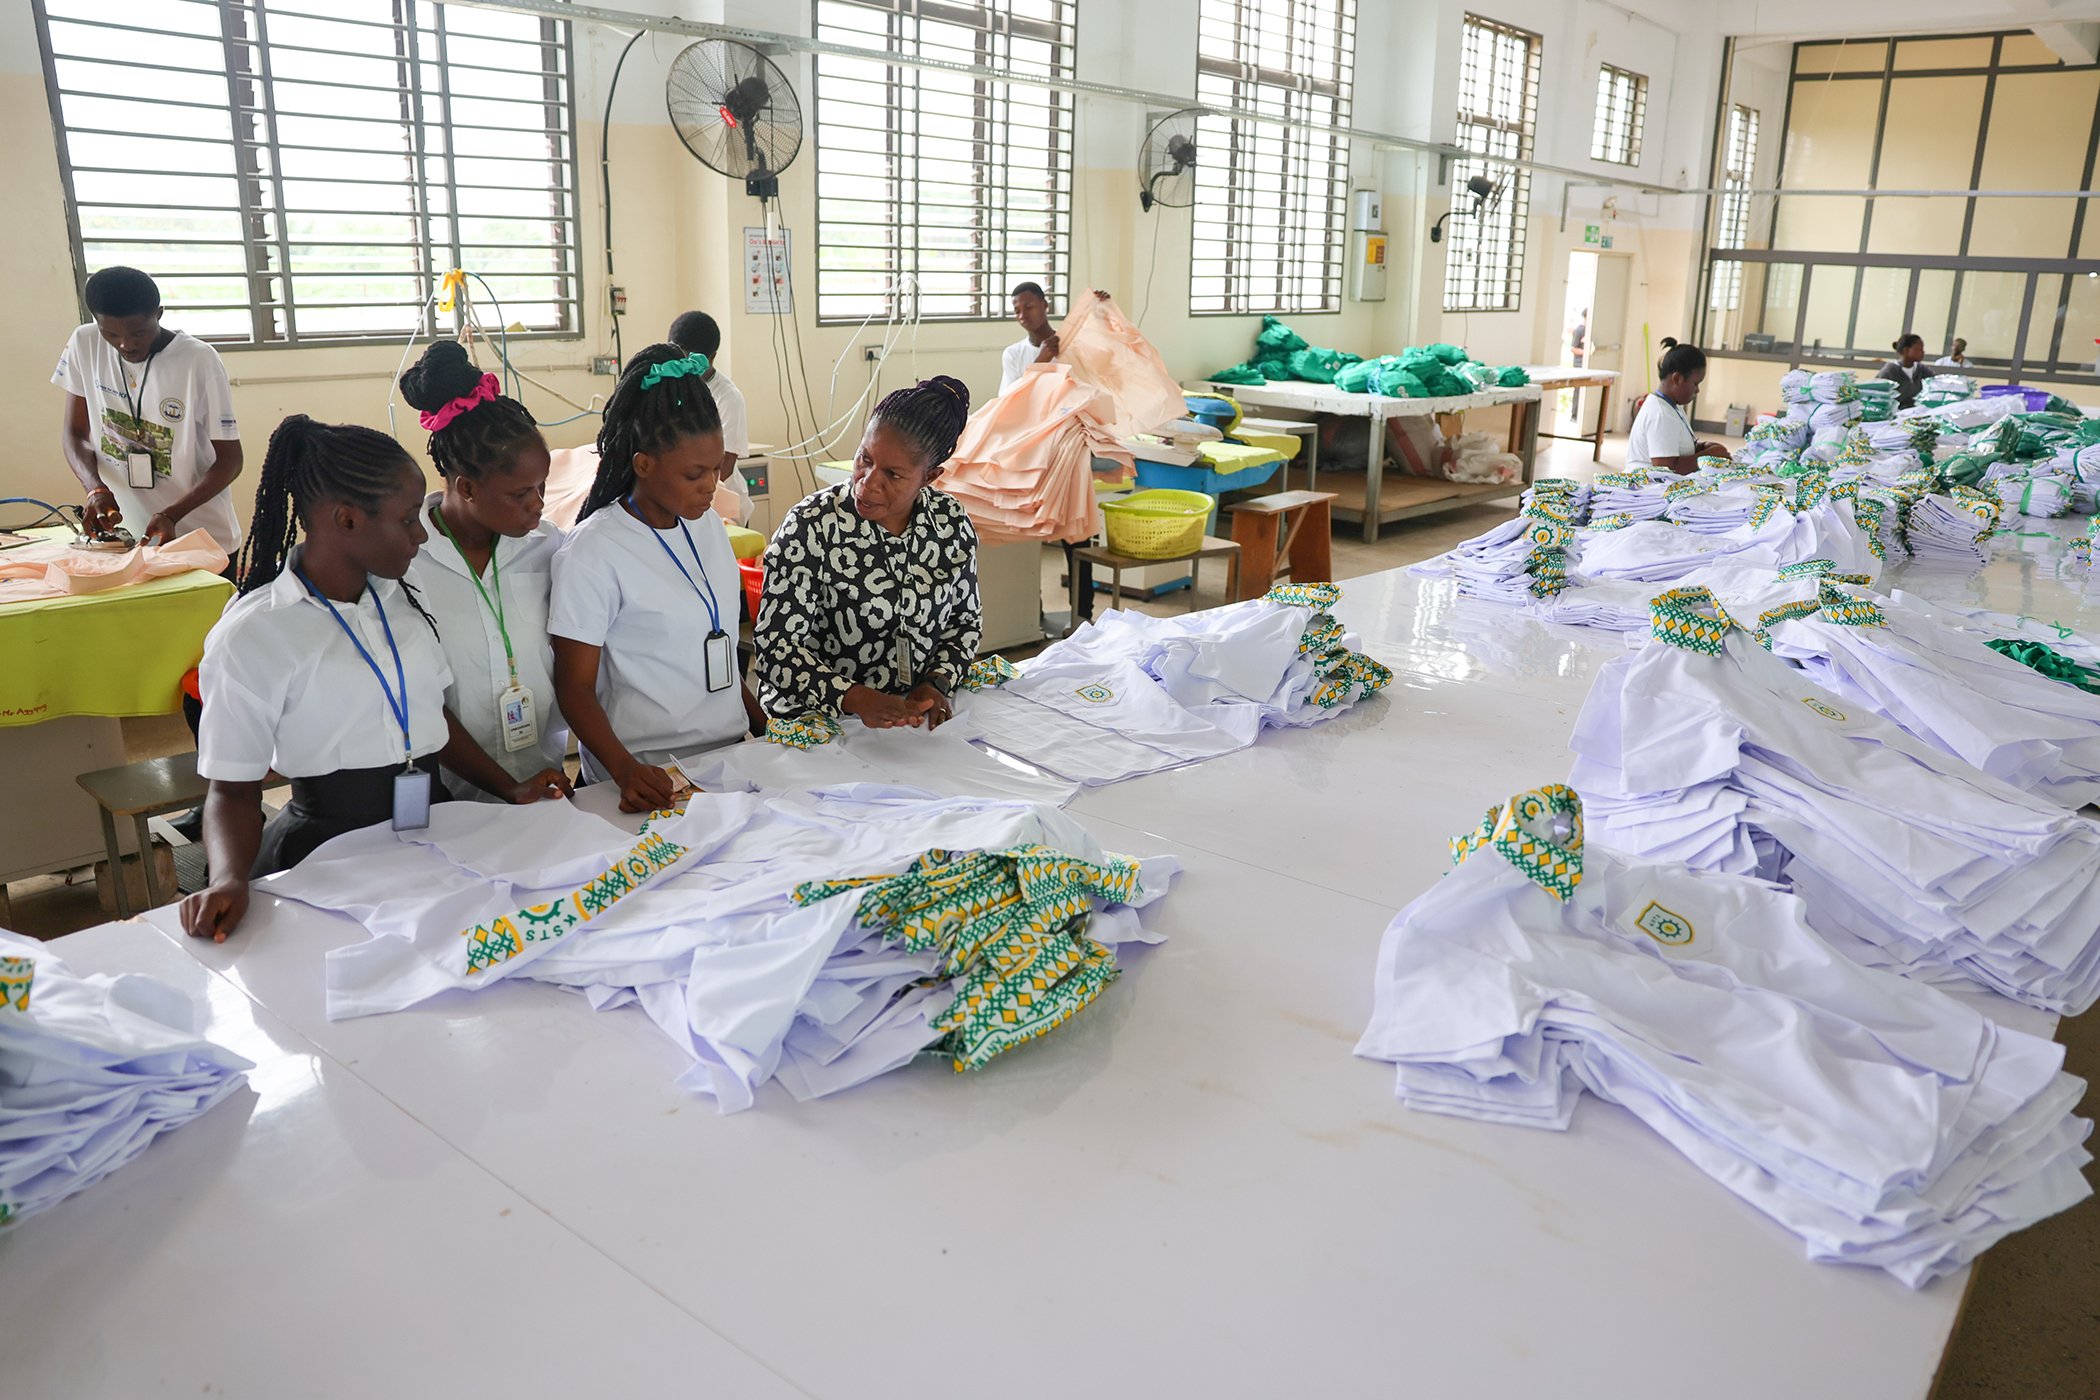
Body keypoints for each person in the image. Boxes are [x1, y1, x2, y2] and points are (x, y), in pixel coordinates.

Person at [180, 416, 571, 942]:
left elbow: (430, 715)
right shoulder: (258, 633)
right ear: (345, 520)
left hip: (435, 828)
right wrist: (227, 879)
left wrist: (508, 787)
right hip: (329, 849)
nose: (420, 535)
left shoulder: (402, 600)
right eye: (409, 520)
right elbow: (230, 789)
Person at [549, 344, 765, 813]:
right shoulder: (594, 552)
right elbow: (574, 688)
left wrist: (761, 723)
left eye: (715, 469)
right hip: (645, 772)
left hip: (725, 758)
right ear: (643, 464)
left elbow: (718, 643)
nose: (711, 486)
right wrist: (625, 770)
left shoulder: (705, 524)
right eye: (694, 475)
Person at [755, 376, 981, 730]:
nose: (868, 482)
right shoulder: (812, 525)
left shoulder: (949, 523)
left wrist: (935, 682)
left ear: (929, 476)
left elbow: (965, 623)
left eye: (893, 474)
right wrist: (856, 698)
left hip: (908, 720)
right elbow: (775, 649)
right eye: (864, 458)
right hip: (819, 722)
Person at [398, 340, 569, 801]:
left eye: (542, 487)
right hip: (449, 795)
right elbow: (418, 700)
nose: (538, 505)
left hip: (545, 784)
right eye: (521, 494)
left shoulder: (548, 547)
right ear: (467, 487)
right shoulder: (407, 564)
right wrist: (504, 786)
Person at [54, 266, 244, 551]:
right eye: (111, 334)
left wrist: (172, 513)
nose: (125, 344)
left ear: (159, 313)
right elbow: (75, 432)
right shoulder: (84, 343)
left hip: (200, 538)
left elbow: (230, 461)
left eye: (139, 333)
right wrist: (95, 488)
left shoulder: (199, 360)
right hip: (127, 537)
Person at [667, 310, 753, 525]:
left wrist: (682, 492)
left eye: (692, 361)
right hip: (681, 500)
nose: (684, 367)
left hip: (722, 505)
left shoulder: (728, 398)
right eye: (679, 358)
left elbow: (724, 467)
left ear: (711, 357)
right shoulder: (668, 387)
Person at [1626, 338, 1729, 476]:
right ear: (1677, 379)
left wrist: (1700, 448)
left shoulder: (1671, 406)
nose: (1697, 390)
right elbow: (1666, 468)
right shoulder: (1661, 414)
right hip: (1647, 486)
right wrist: (1708, 455)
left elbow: (1674, 446)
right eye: (1695, 384)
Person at [998, 284, 1112, 393]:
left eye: (1028, 307)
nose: (1022, 315)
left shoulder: (1071, 343)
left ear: (1045, 305)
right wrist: (1040, 362)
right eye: (1017, 311)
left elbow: (1104, 365)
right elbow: (1008, 398)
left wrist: (1101, 312)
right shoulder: (1013, 354)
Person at [1878, 334, 1932, 410]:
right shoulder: (1890, 370)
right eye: (1918, 349)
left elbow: (1934, 383)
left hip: (1916, 412)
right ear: (1906, 350)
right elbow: (1878, 394)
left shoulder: (1922, 369)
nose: (1923, 352)